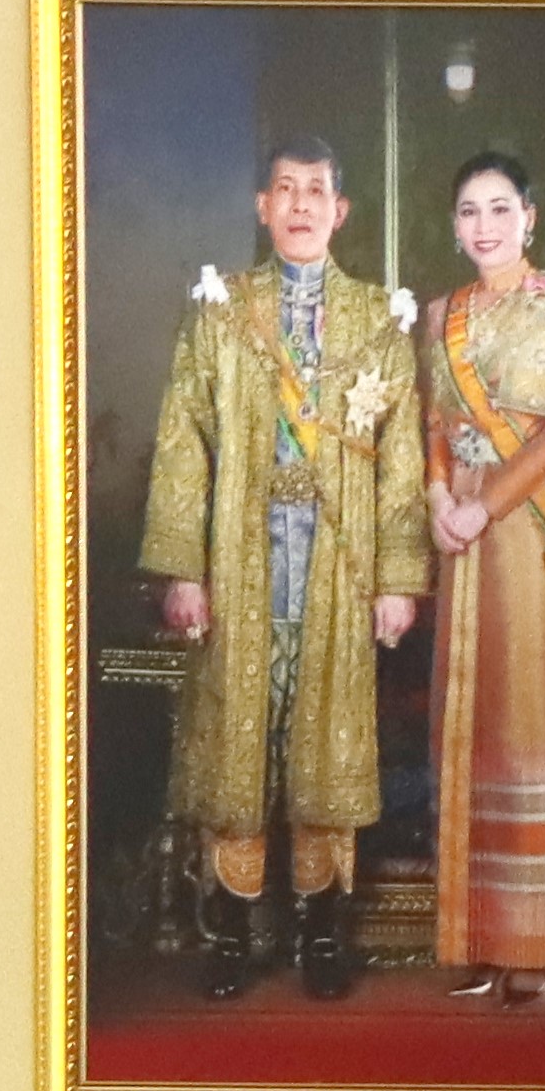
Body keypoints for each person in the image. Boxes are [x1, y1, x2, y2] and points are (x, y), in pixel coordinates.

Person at [135, 136, 432, 996]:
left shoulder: (378, 321)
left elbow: (401, 459)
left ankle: (322, 934)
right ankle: (231, 932)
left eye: (317, 191)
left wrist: (397, 579)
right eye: (286, 189)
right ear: (263, 207)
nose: (301, 204)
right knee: (239, 742)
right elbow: (183, 442)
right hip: (241, 561)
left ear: (341, 211)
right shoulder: (223, 311)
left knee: (326, 743)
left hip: (338, 567)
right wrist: (184, 570)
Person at [417, 148, 545, 1000]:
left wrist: (484, 506)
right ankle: (481, 935)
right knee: (469, 720)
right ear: (455, 226)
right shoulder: (439, 315)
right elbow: (432, 424)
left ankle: (538, 941)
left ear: (529, 217)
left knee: (528, 712)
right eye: (469, 211)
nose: (485, 225)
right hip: (459, 530)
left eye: (500, 208)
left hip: (527, 527)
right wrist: (438, 500)